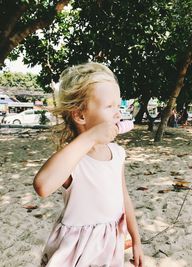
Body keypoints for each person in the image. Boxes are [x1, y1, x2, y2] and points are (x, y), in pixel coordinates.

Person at [33, 62, 144, 267]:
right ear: (80, 115)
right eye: (109, 106)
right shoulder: (72, 159)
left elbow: (124, 197)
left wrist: (136, 240)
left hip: (109, 244)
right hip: (76, 249)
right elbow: (42, 186)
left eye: (118, 105)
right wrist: (90, 137)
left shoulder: (117, 153)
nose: (118, 113)